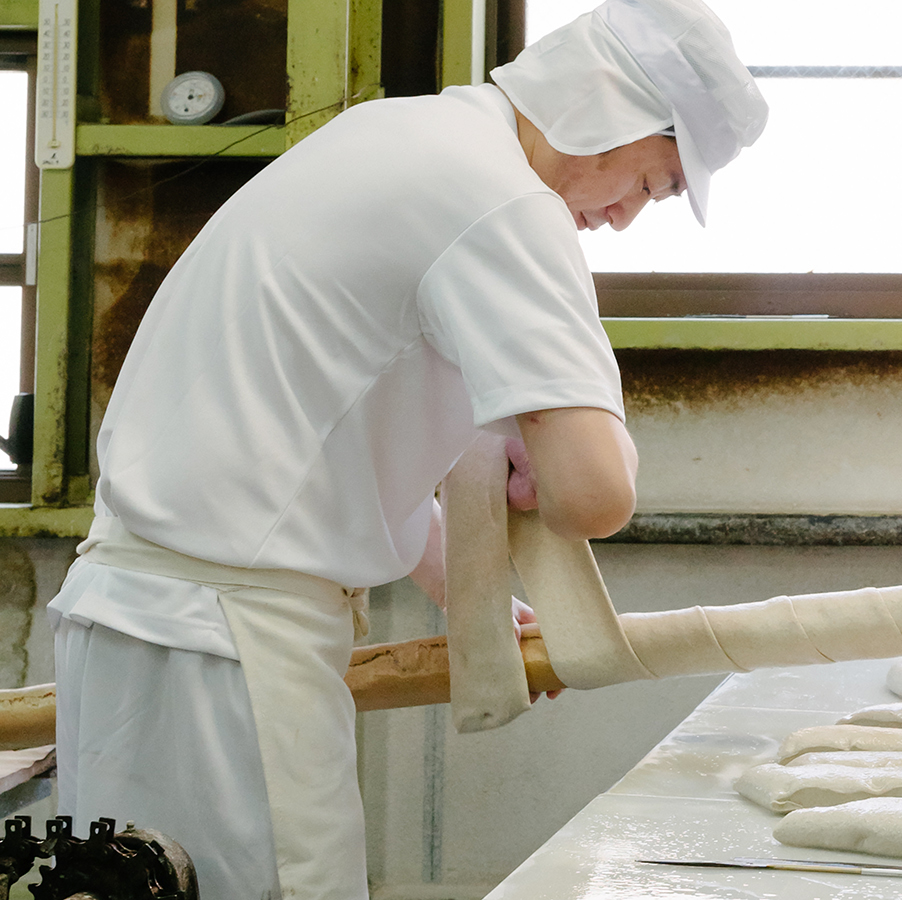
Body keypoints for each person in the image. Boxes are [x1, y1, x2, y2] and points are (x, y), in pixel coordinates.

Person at [47, 1, 768, 897]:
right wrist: (564, 437)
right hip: (227, 652)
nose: (623, 219)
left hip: (123, 620)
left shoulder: (394, 133)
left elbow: (326, 422)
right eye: (653, 184)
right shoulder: (504, 202)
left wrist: (463, 590)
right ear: (612, 114)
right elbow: (594, 496)